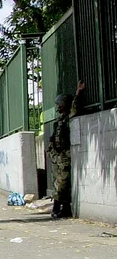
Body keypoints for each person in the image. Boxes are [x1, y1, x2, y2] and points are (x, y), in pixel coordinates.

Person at [47, 81, 86, 219]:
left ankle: (57, 206)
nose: (58, 106)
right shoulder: (59, 120)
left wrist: (78, 92)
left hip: (65, 154)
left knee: (62, 182)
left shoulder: (69, 117)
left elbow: (75, 107)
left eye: (60, 104)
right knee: (58, 182)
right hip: (57, 155)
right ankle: (63, 207)